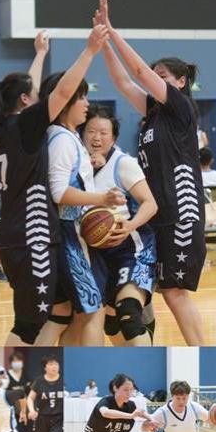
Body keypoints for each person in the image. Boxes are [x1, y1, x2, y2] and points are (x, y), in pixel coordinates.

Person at [0, 25, 110, 346]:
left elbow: (30, 88)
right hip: (31, 239)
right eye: (35, 97)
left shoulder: (4, 129)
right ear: (25, 101)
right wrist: (89, 51)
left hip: (15, 235)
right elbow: (63, 93)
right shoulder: (25, 126)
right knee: (28, 325)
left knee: (58, 311)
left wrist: (40, 54)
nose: (42, 100)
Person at [97, 0, 206, 346]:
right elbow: (123, 82)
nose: (153, 80)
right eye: (155, 75)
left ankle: (200, 351)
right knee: (151, 289)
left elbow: (139, 72)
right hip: (157, 214)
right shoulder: (153, 114)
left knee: (175, 291)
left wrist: (113, 31)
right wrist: (102, 42)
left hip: (180, 212)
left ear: (180, 82)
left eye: (163, 76)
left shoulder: (180, 107)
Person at [39, 72, 126, 347]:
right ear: (65, 100)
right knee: (93, 312)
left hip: (62, 233)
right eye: (82, 97)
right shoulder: (63, 140)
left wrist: (90, 162)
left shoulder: (63, 136)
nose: (87, 103)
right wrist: (102, 199)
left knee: (63, 316)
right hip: (68, 234)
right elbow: (59, 192)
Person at [81, 106, 158, 346]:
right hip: (96, 254)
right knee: (110, 322)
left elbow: (150, 204)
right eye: (91, 131)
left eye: (103, 133)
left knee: (128, 314)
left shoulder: (124, 164)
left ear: (113, 138)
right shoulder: (76, 165)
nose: (96, 138)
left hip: (130, 248)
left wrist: (129, 225)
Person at [6, 352, 31, 432]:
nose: (17, 363)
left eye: (19, 360)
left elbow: (30, 393)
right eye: (14, 360)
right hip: (11, 411)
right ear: (11, 362)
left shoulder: (26, 376)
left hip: (24, 411)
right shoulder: (7, 376)